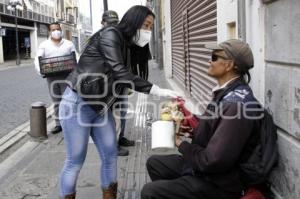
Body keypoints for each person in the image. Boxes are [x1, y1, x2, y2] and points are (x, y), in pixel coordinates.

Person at [58, 5, 182, 199]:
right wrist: (157, 90)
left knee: (110, 154)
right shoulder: (111, 35)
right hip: (77, 104)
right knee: (75, 160)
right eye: (146, 25)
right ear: (134, 21)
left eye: (151, 27)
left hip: (101, 108)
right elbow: (120, 72)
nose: (148, 31)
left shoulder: (127, 44)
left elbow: (125, 77)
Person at [141, 39, 262, 199]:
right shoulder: (228, 92)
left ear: (229, 65)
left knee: (150, 192)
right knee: (155, 163)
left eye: (214, 57)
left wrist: (180, 143)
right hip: (209, 170)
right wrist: (191, 126)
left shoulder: (235, 105)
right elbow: (215, 127)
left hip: (220, 183)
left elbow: (213, 161)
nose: (209, 61)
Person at [100, 10, 133, 156]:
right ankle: (113, 145)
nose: (113, 26)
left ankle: (121, 137)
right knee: (115, 115)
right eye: (110, 23)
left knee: (123, 112)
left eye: (115, 23)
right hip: (109, 85)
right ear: (103, 23)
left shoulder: (119, 37)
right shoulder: (100, 38)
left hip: (121, 82)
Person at [34, 22, 76, 134]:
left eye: (57, 29)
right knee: (56, 101)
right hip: (51, 78)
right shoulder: (44, 45)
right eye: (53, 30)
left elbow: (76, 57)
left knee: (68, 101)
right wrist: (41, 71)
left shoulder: (69, 44)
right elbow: (38, 59)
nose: (56, 31)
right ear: (49, 32)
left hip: (67, 77)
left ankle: (70, 122)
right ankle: (59, 124)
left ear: (61, 30)